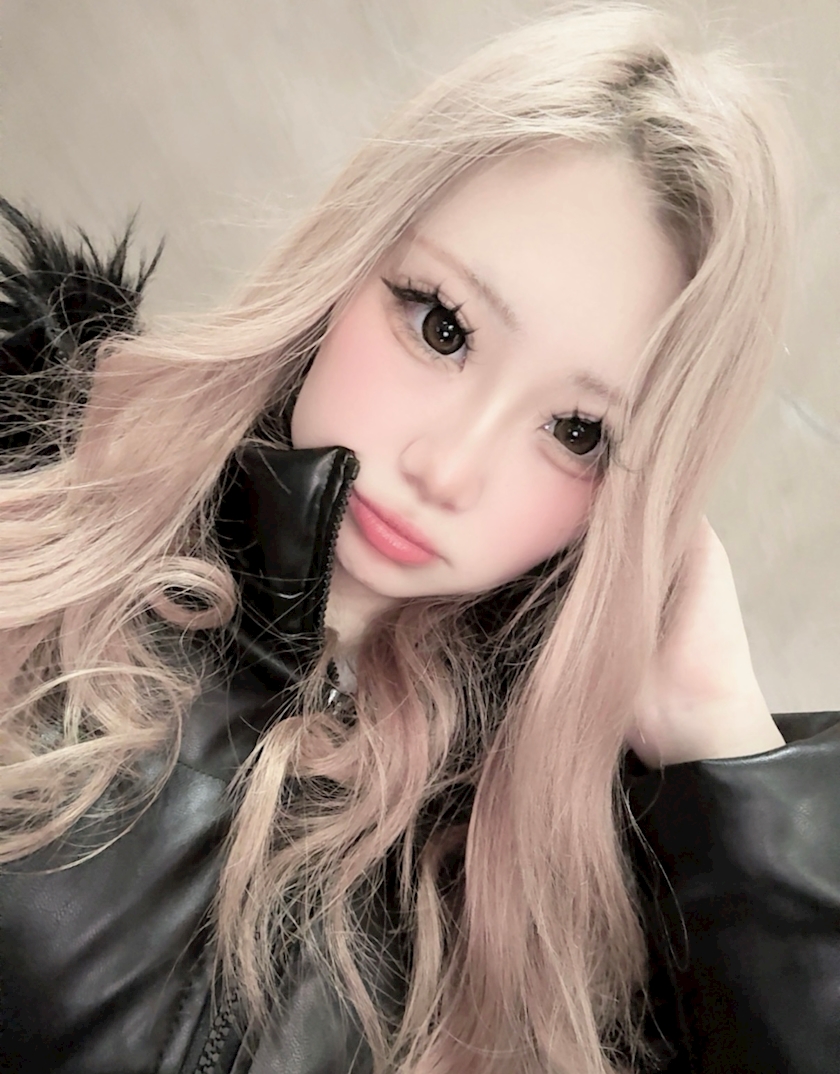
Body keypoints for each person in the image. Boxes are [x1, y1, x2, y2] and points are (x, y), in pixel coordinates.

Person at [0, 3, 838, 1072]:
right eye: (443, 326)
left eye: (577, 431)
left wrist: (721, 750)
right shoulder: (31, 503)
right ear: (352, 259)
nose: (448, 468)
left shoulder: (599, 895)